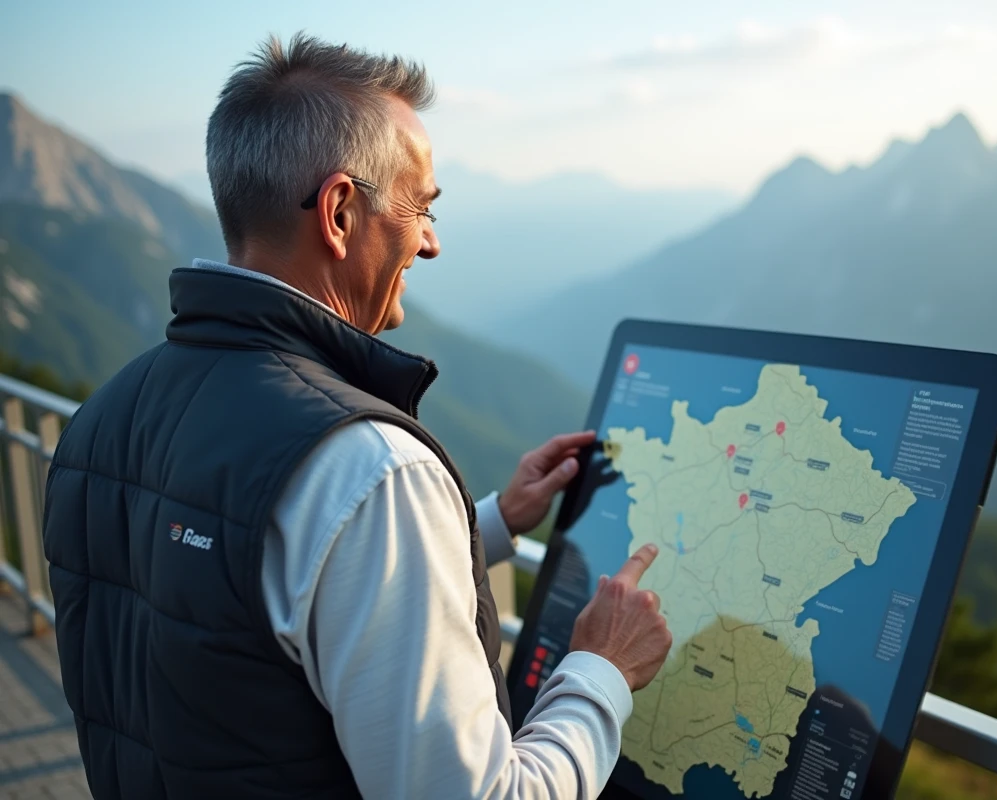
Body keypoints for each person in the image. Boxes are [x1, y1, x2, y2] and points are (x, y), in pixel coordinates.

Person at [41, 33, 671, 799]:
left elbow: (241, 603)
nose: (431, 243)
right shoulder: (372, 472)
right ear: (340, 211)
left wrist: (492, 522)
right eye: (422, 207)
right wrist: (600, 669)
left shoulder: (101, 421)